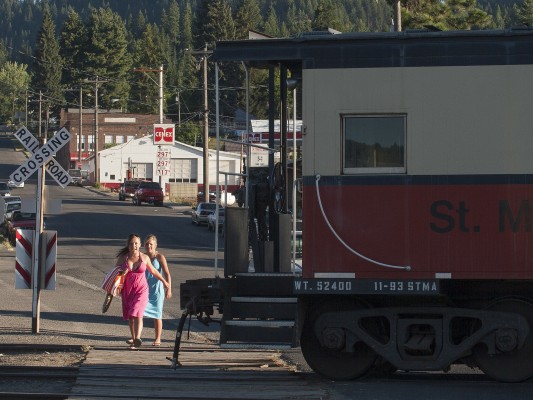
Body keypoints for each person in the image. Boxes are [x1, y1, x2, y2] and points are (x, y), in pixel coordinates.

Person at [115, 233, 170, 349]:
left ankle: (139, 339)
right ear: (128, 245)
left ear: (139, 245)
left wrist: (165, 283)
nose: (134, 245)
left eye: (136, 243)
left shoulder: (145, 258)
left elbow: (154, 271)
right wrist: (121, 274)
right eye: (131, 243)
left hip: (144, 290)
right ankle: (134, 338)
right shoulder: (124, 258)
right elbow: (115, 273)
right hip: (128, 291)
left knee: (139, 313)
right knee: (131, 316)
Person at [143, 234, 172, 346]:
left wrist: (168, 289)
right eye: (147, 244)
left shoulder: (159, 257)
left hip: (157, 290)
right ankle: (136, 337)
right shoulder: (142, 257)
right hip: (144, 289)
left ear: (155, 245)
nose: (149, 246)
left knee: (157, 315)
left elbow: (167, 274)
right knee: (139, 313)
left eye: (151, 244)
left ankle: (158, 338)